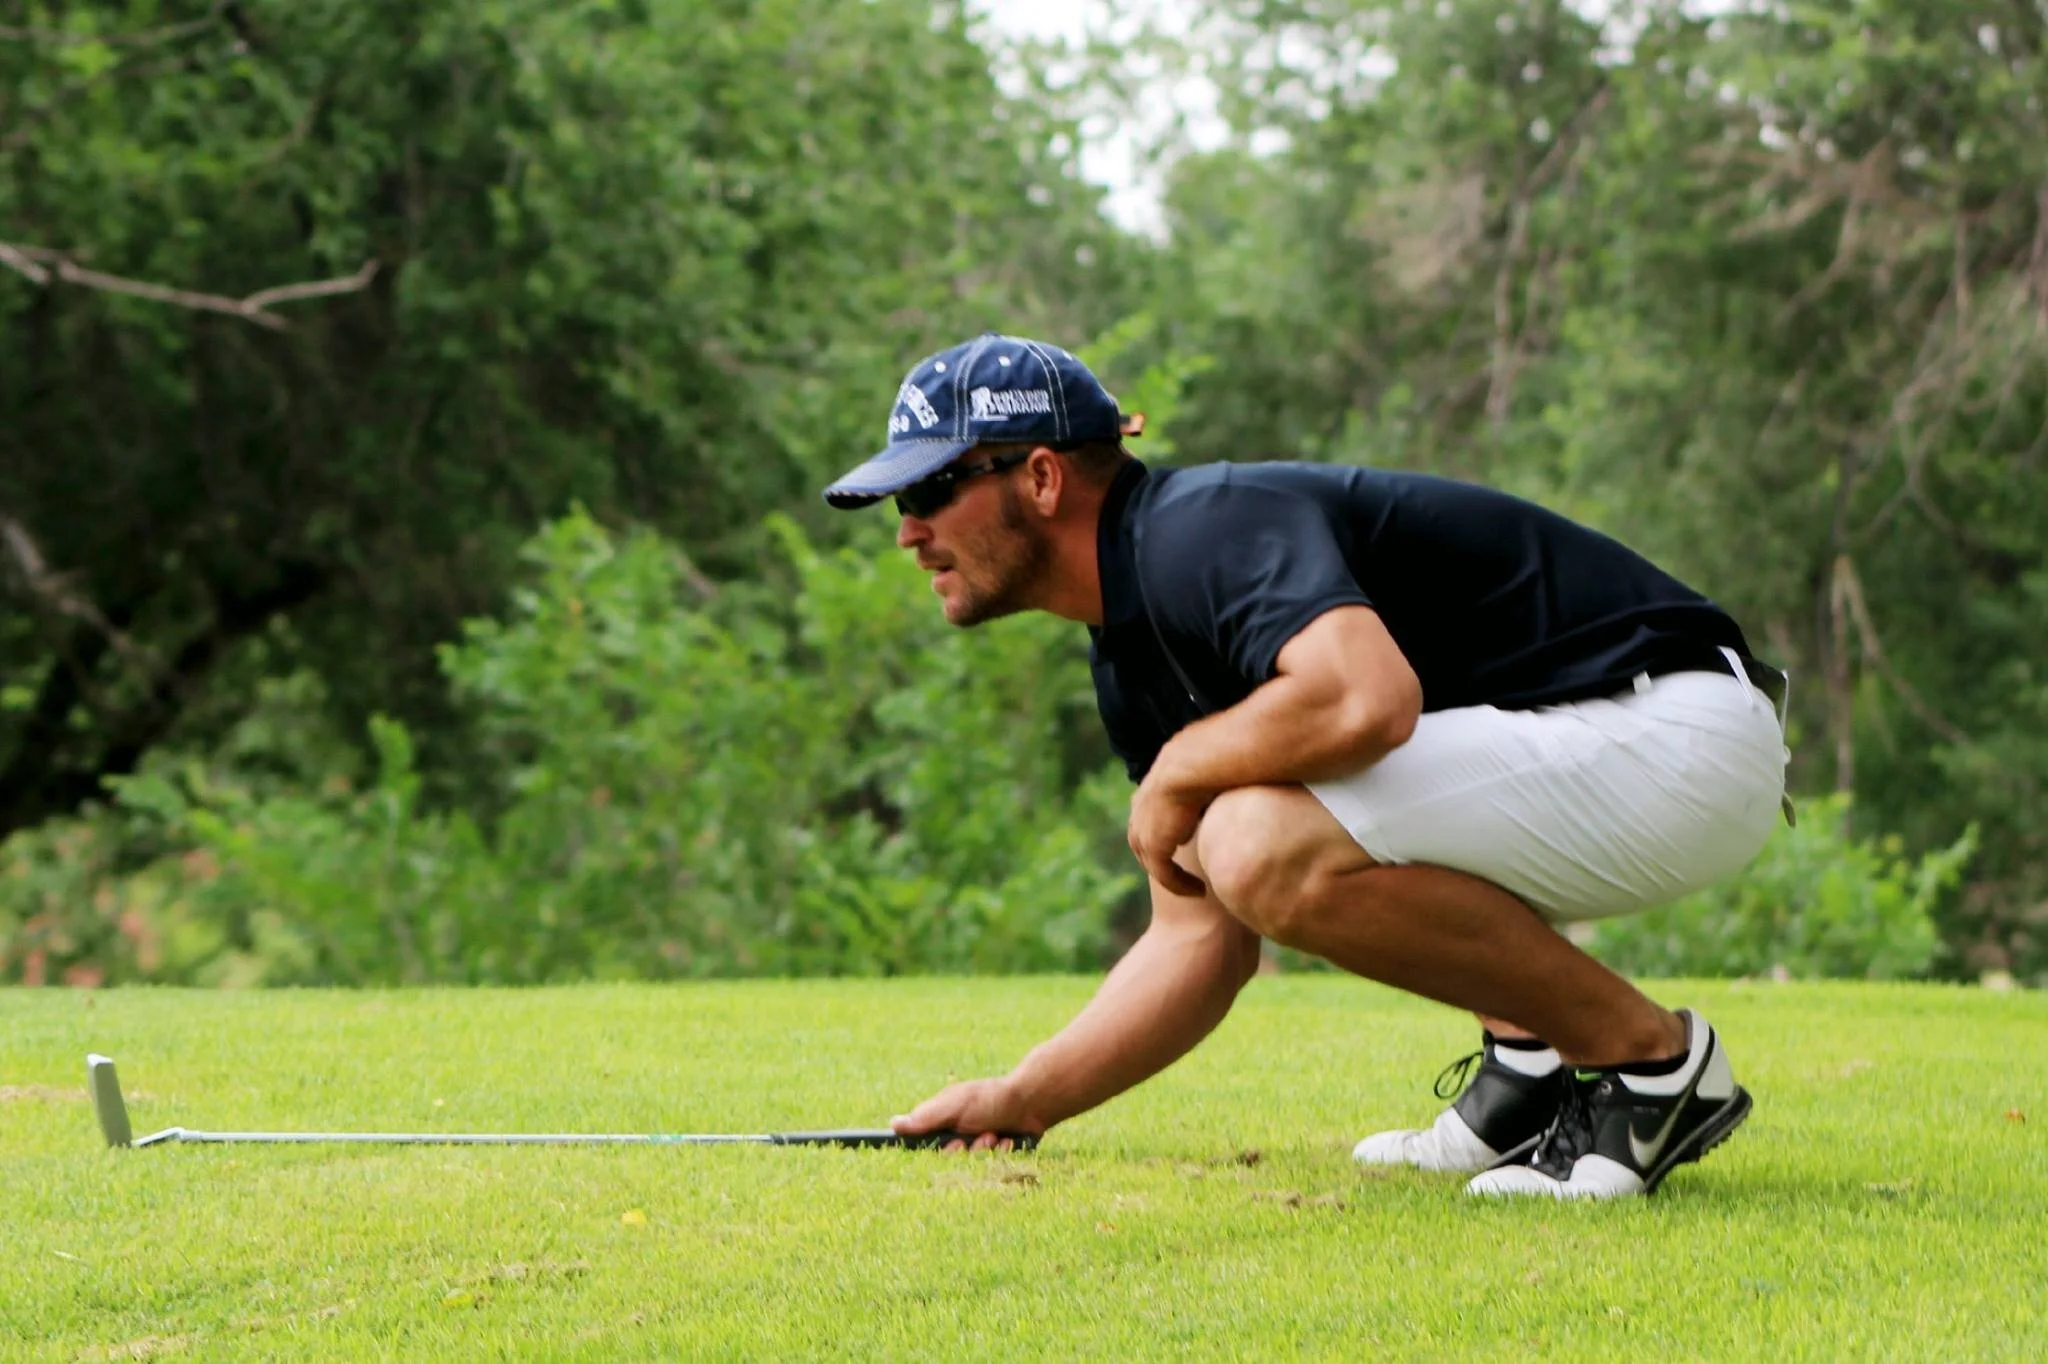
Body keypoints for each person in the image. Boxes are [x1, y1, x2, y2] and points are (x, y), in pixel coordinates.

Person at [822, 333, 1790, 1199]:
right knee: (1242, 842)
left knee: (1252, 833)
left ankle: (1654, 1065)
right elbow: (1201, 935)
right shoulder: (1131, 653)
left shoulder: (1197, 529)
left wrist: (1181, 769)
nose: (908, 531)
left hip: (1677, 730)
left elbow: (1365, 698)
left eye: (930, 491)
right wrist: (1021, 1097)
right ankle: (1527, 1073)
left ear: (1040, 478)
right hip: (1612, 751)